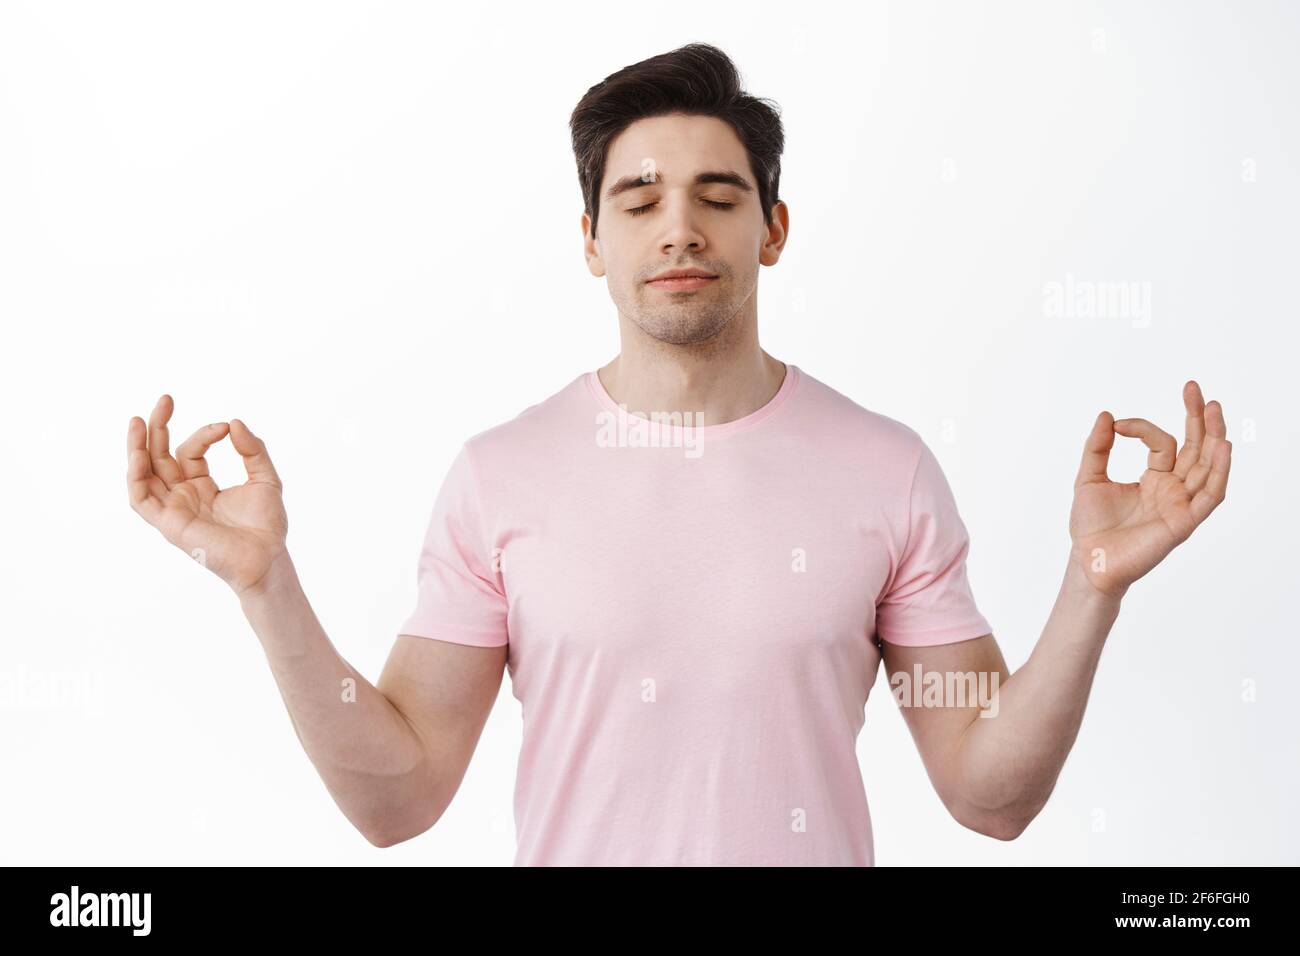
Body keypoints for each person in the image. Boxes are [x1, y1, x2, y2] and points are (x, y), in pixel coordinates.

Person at [125, 43, 1232, 866]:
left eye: (718, 195)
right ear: (591, 242)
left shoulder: (885, 470)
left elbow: (991, 794)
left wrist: (1092, 591)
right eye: (638, 198)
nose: (679, 229)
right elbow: (398, 797)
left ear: (774, 228)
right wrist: (264, 582)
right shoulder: (498, 475)